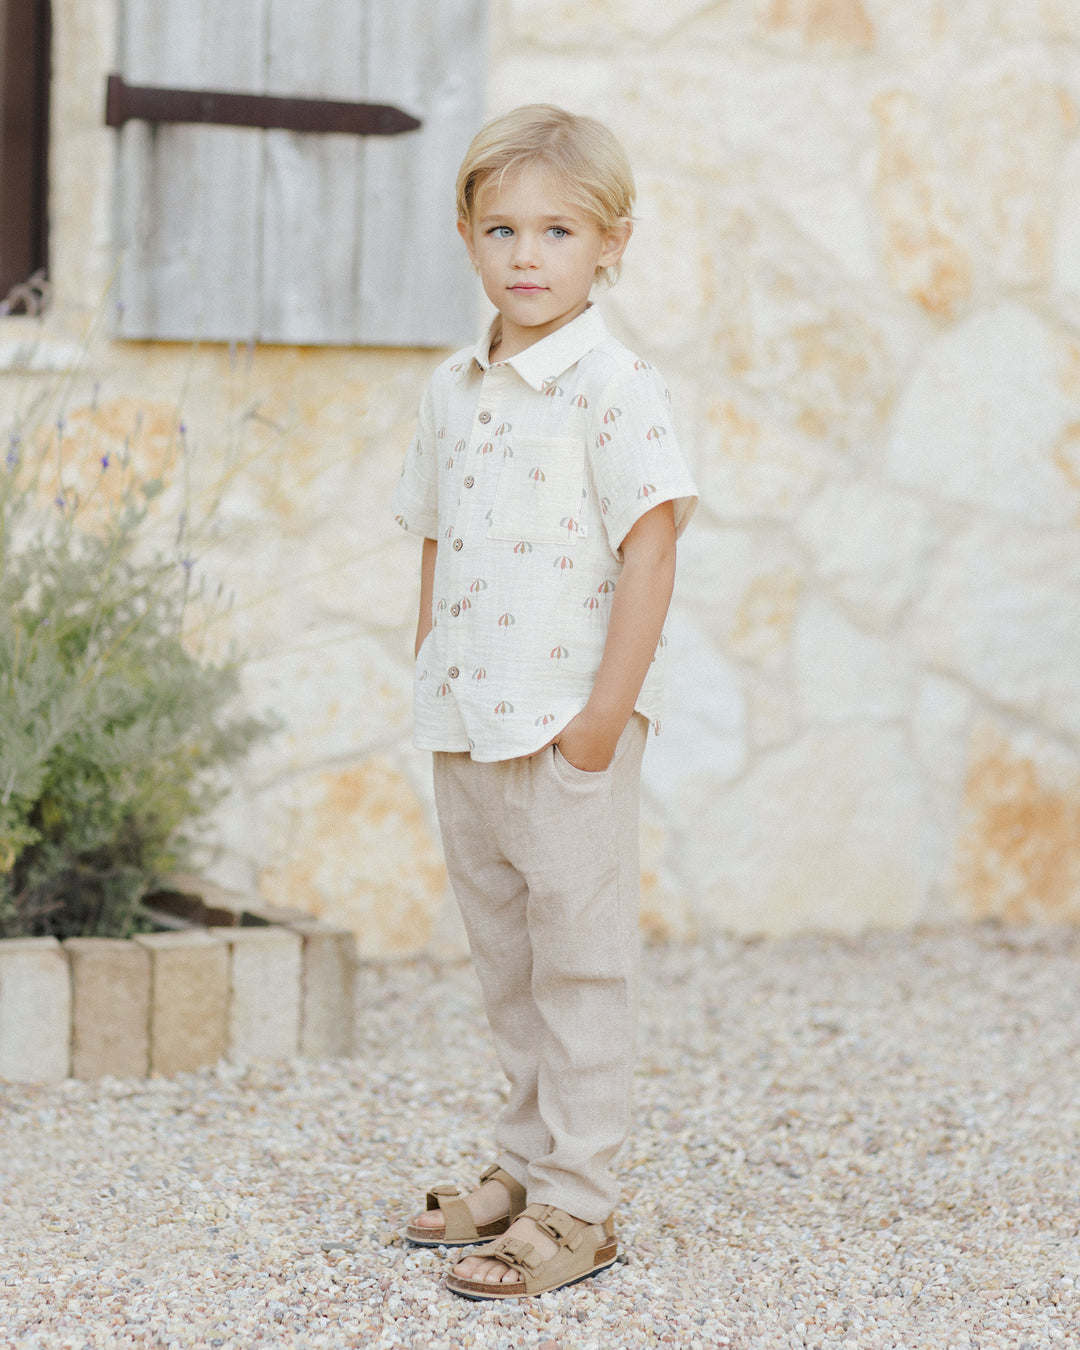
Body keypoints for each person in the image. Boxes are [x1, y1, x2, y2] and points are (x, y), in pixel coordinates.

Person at [392, 104, 697, 1300]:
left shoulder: (615, 389)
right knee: (507, 962)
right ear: (467, 237)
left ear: (610, 243)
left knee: (579, 968)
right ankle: (521, 1166)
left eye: (558, 230)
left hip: (565, 729)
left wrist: (600, 722)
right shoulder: (451, 389)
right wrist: (430, 665)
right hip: (468, 722)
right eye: (503, 227)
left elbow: (653, 548)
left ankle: (582, 1203)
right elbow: (433, 535)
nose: (528, 254)